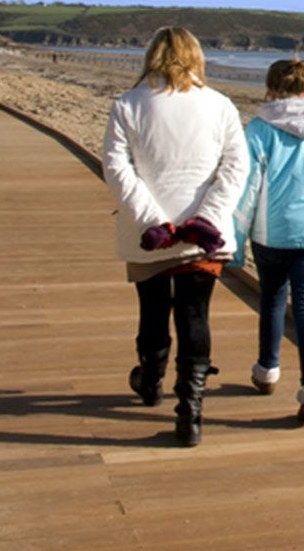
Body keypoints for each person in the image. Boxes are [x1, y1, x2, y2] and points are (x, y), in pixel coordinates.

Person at [102, 27, 247, 446]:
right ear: (196, 57)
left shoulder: (128, 105)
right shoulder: (220, 106)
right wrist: (207, 218)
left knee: (152, 309)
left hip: (147, 234)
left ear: (153, 55)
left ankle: (150, 381)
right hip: (201, 237)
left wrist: (152, 220)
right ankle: (191, 410)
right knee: (194, 314)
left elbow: (116, 169)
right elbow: (236, 170)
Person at [232, 59, 304, 422]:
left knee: (271, 298)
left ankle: (267, 368)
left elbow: (246, 190)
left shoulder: (258, 130)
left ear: (270, 87)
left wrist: (237, 238)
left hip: (272, 234)